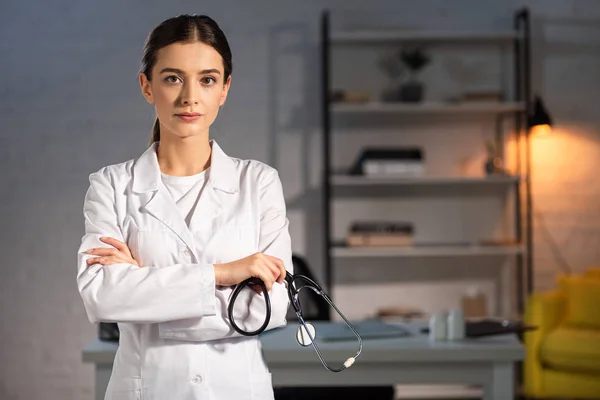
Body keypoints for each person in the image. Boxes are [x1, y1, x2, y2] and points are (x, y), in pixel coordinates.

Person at [76, 14, 292, 400]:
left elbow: (267, 311)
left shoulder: (259, 183)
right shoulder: (111, 185)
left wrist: (146, 295)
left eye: (207, 80)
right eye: (173, 78)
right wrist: (226, 274)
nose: (190, 96)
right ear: (147, 86)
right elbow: (102, 295)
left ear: (224, 89)